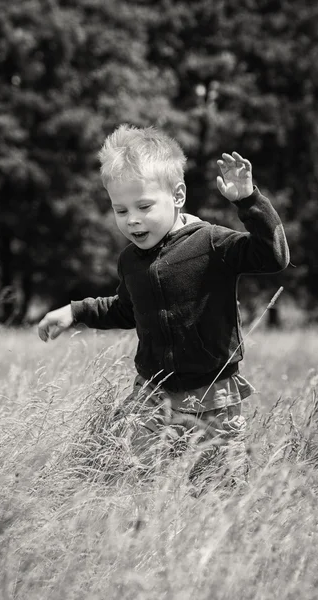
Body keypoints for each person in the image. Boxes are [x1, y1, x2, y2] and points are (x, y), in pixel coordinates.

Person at [38, 124, 289, 479]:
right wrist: (75, 311)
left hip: (212, 395)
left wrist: (249, 202)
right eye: (120, 210)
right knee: (126, 475)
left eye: (143, 206)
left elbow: (272, 256)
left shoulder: (210, 243)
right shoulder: (131, 260)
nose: (133, 220)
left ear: (178, 195)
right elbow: (126, 310)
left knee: (215, 489)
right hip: (151, 392)